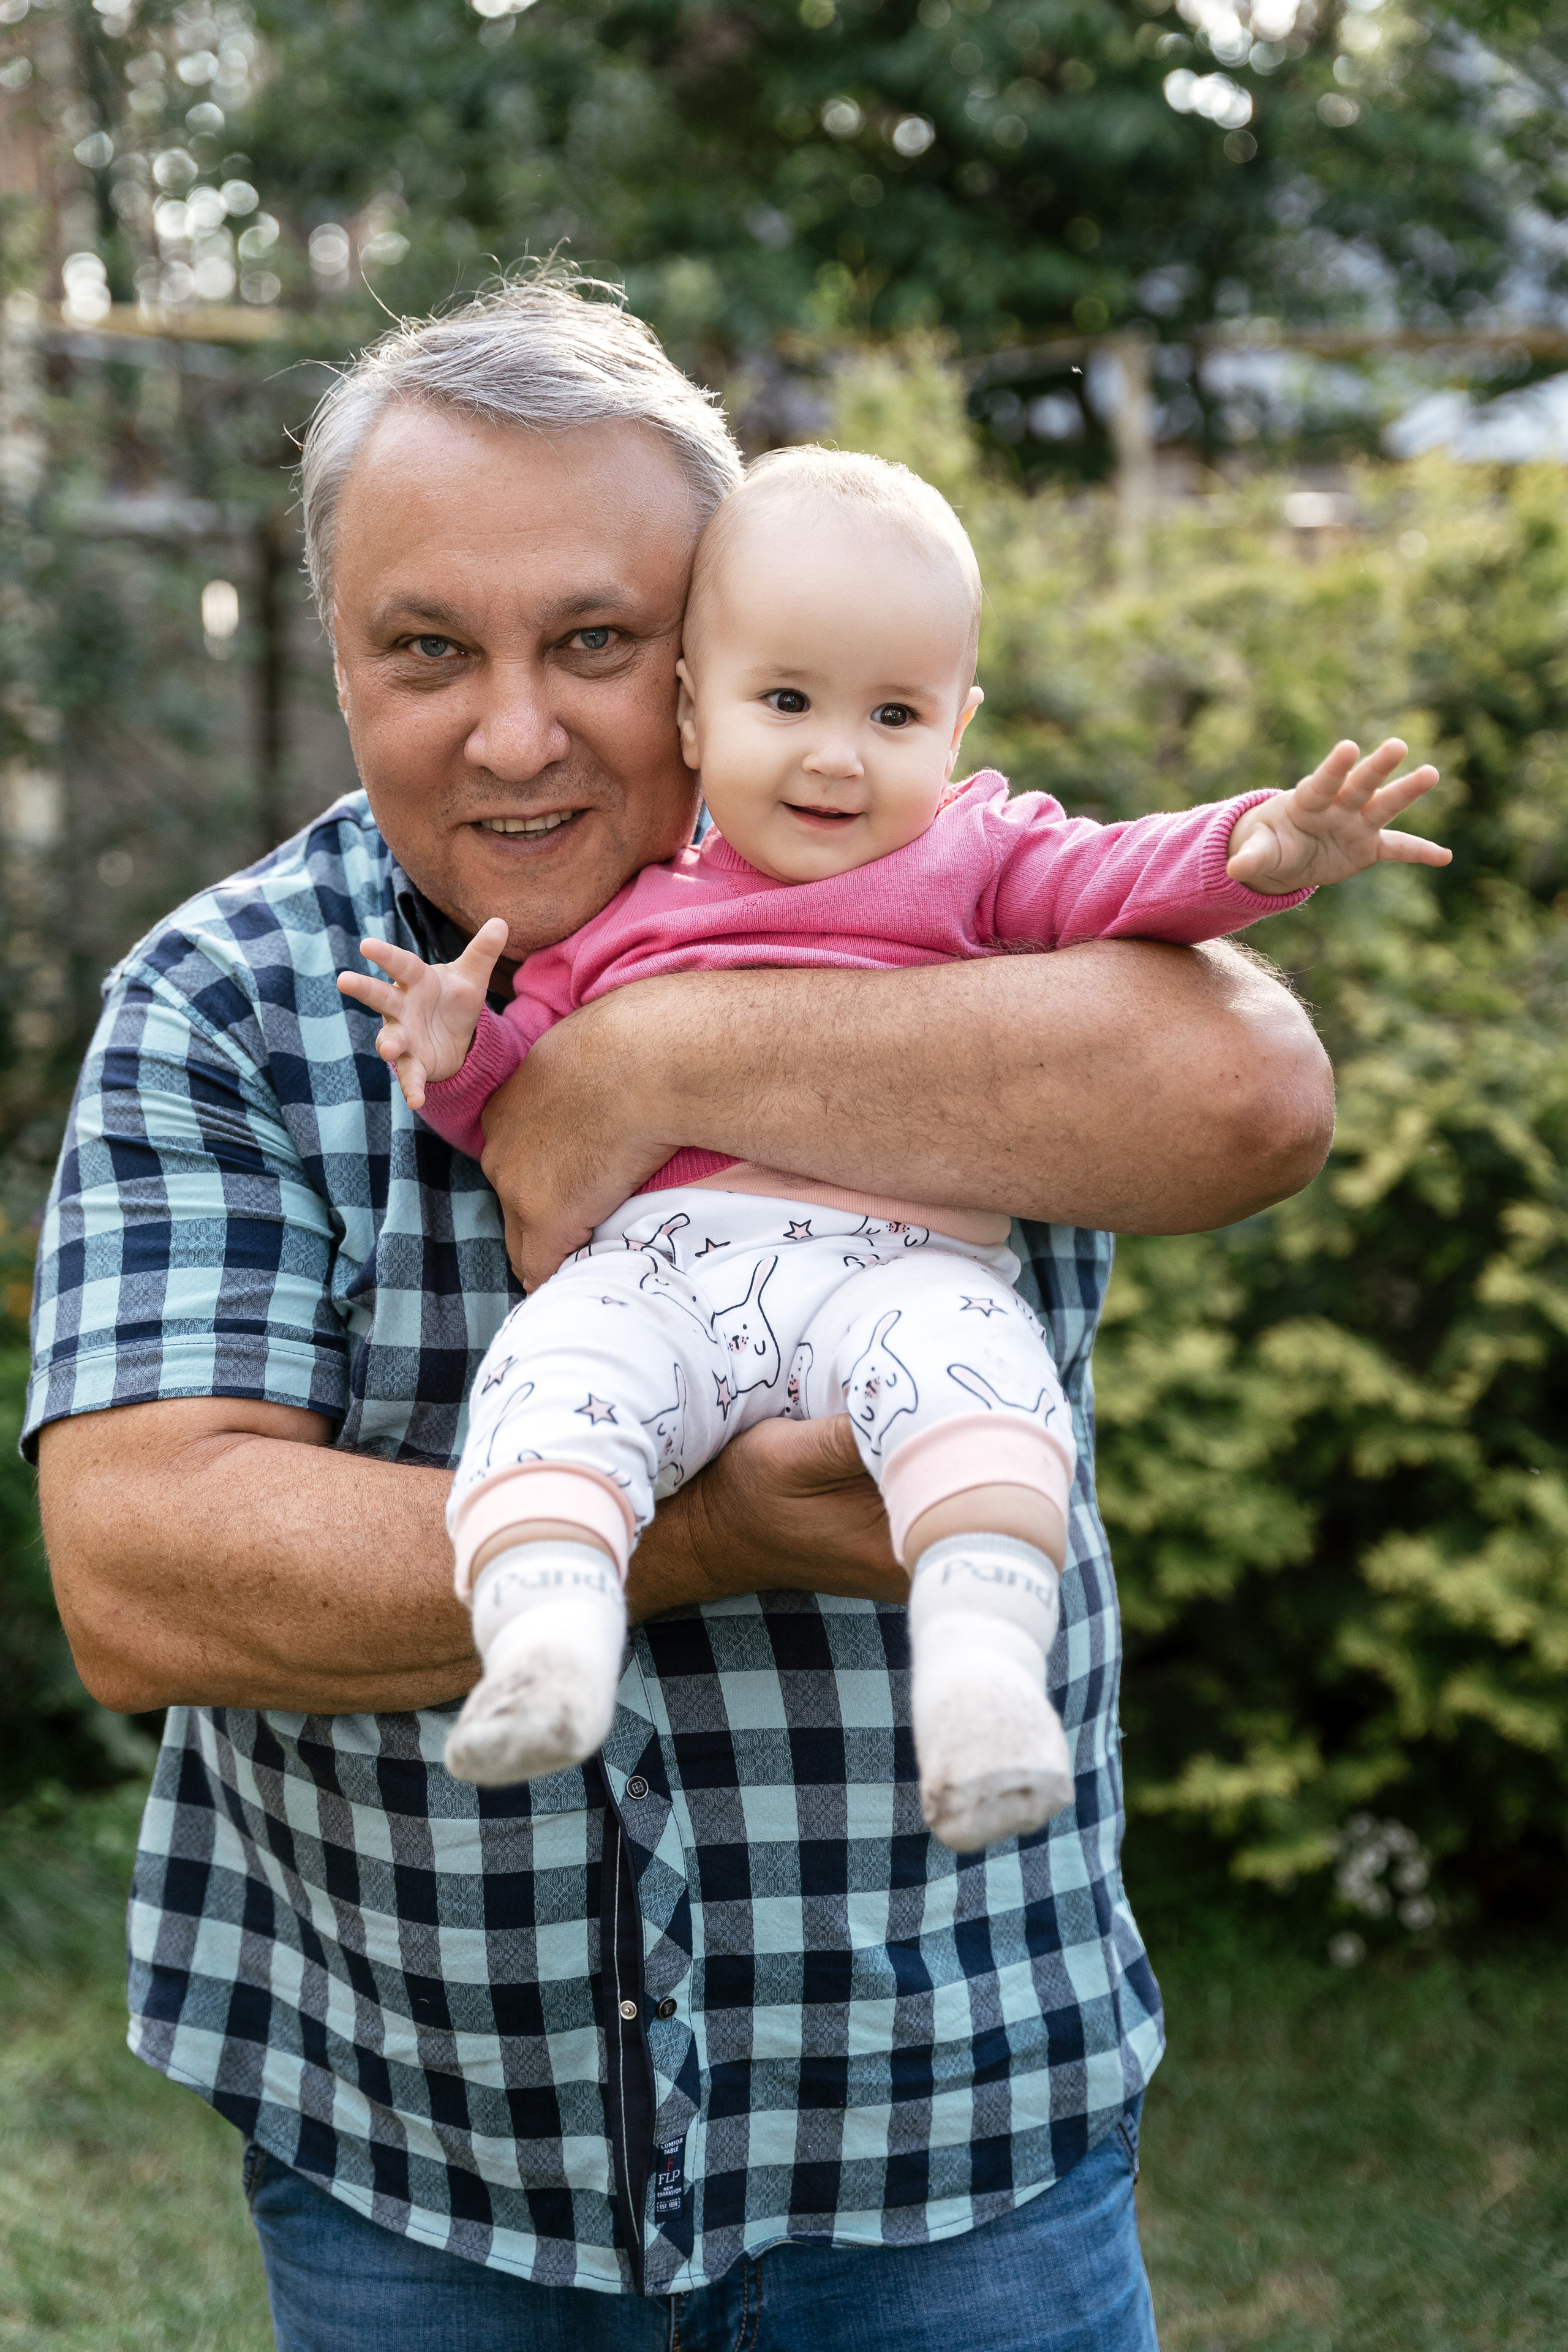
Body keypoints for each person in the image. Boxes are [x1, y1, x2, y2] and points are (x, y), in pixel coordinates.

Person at [28, 277, 1336, 2351]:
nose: (515, 732)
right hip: (430, 2156)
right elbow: (141, 1577)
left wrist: (658, 1059)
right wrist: (703, 1533)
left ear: (717, 653)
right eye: (427, 650)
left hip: (948, 2124)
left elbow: (1248, 1091)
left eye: (596, 644)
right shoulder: (231, 1002)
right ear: (340, 657)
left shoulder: (942, 893)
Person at [340, 443, 1444, 1858]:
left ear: (956, 727)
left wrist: (1259, 848)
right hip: (663, 1279)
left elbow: (1117, 876)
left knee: (979, 1384)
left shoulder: (979, 857)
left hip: (902, 1270)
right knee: (553, 1379)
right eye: (785, 702)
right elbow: (524, 1110)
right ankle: (545, 1636)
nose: (834, 754)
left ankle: (984, 1678)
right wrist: (452, 1050)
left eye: (893, 713)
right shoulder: (620, 909)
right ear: (692, 711)